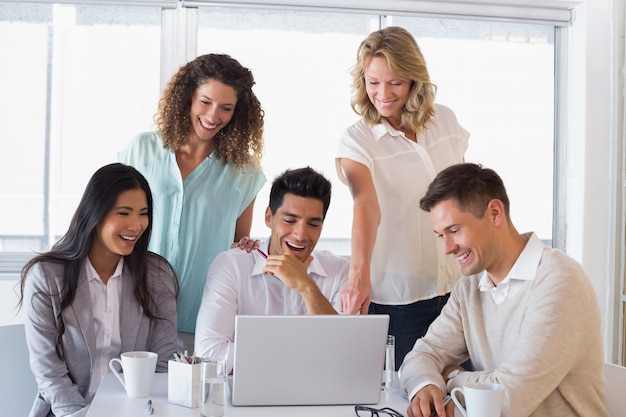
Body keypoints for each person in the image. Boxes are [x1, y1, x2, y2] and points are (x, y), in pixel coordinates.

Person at [399, 163, 608, 417]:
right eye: (441, 235)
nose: (448, 248)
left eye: (454, 230)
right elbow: (423, 354)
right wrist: (427, 383)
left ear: (495, 213)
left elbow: (509, 399)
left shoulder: (559, 280)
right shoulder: (470, 287)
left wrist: (452, 378)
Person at [335, 26, 469, 367]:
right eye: (373, 81)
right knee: (405, 398)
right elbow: (366, 204)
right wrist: (357, 276)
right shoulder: (358, 140)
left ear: (414, 79)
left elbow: (465, 194)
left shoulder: (445, 121)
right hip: (399, 301)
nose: (382, 93)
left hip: (458, 290)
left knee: (462, 395)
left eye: (394, 82)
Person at [119, 53, 266, 352]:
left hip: (201, 318)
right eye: (205, 102)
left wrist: (249, 246)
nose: (213, 116)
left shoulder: (244, 172)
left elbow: (237, 248)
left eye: (226, 108)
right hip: (135, 306)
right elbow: (112, 218)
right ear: (188, 96)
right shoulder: (143, 150)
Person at [18, 163, 178, 417]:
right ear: (95, 213)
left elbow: (162, 364)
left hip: (136, 411)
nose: (136, 226)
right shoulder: (47, 276)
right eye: (124, 213)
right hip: (68, 412)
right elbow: (49, 372)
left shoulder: (156, 276)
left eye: (143, 213)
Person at [194, 167, 350, 373]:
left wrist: (307, 287)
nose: (301, 235)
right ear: (269, 217)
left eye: (313, 224)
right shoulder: (232, 266)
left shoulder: (341, 271)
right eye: (289, 220)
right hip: (247, 398)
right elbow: (209, 352)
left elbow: (344, 355)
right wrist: (298, 363)